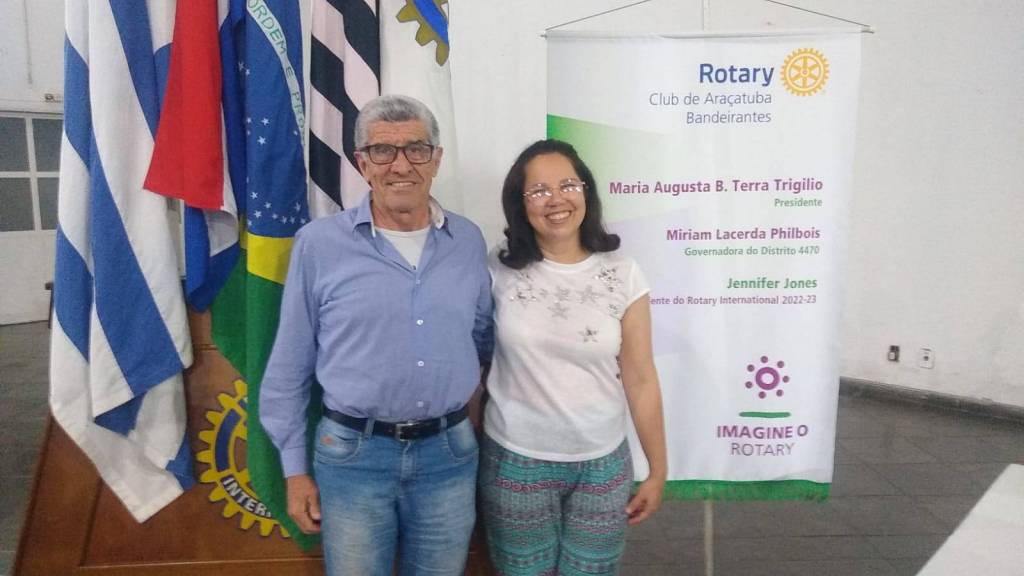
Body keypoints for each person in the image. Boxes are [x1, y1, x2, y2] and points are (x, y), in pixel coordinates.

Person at [260, 94, 493, 576]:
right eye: (383, 151)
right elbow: (289, 365)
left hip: (449, 456)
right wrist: (295, 471)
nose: (401, 165)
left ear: (436, 160)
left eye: (417, 149)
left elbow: (481, 338)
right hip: (353, 457)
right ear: (362, 163)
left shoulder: (468, 241)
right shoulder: (319, 245)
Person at [479, 139, 668, 575]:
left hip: (602, 465)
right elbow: (473, 360)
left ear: (586, 191)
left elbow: (641, 378)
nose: (556, 199)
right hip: (515, 461)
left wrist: (658, 470)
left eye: (567, 185)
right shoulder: (497, 269)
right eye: (538, 190)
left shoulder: (623, 272)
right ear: (520, 204)